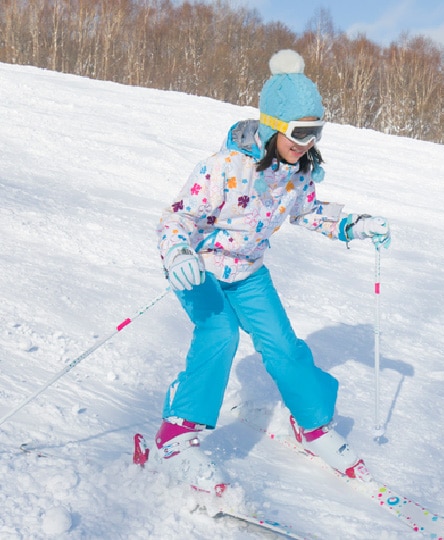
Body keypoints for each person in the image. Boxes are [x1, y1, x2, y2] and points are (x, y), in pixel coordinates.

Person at [153, 49, 390, 494]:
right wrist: (178, 255)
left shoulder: (297, 172)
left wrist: (350, 225)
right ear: (273, 126)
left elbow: (307, 211)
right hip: (200, 269)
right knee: (219, 334)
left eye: (316, 132)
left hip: (249, 272)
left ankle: (315, 425)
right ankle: (175, 436)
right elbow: (176, 219)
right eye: (299, 133)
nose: (307, 143)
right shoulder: (223, 168)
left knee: (283, 345)